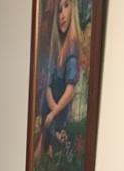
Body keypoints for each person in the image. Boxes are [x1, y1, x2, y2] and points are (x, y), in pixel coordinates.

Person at [35, 0, 81, 162]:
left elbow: (70, 90)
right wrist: (51, 109)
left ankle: (59, 149)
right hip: (52, 105)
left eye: (66, 7)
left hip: (60, 109)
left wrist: (54, 112)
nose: (61, 15)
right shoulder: (56, 50)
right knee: (47, 125)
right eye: (59, 11)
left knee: (57, 132)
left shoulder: (72, 50)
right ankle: (47, 147)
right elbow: (48, 83)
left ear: (73, 9)